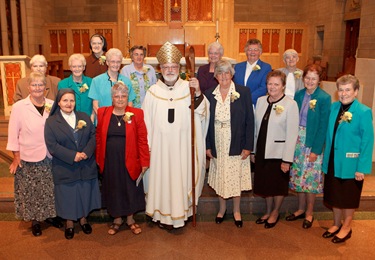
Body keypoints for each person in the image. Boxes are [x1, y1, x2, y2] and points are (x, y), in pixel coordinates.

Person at [142, 41, 210, 229]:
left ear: (178, 68)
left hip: (182, 147)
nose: (170, 70)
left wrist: (197, 93)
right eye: (166, 67)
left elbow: (202, 112)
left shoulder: (188, 87)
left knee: (181, 178)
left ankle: (182, 213)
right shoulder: (152, 92)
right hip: (160, 149)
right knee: (162, 179)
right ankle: (161, 216)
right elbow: (146, 121)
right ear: (160, 69)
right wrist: (147, 146)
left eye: (173, 66)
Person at [7, 72, 62, 237]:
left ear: (45, 88)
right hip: (28, 155)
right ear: (28, 87)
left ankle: (50, 216)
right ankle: (35, 221)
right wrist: (16, 157)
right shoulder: (19, 107)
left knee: (49, 188)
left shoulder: (52, 104)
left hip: (50, 155)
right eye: (34, 85)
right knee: (32, 190)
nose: (37, 88)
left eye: (40, 85)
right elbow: (12, 133)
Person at [322, 75, 374, 243]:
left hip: (352, 163)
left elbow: (367, 141)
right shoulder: (334, 107)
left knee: (348, 196)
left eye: (348, 90)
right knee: (335, 194)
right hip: (333, 160)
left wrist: (362, 168)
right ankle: (336, 223)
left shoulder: (363, 112)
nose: (343, 93)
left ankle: (347, 227)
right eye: (341, 90)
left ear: (356, 91)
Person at [44, 89, 101, 240]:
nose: (69, 104)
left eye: (72, 100)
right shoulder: (51, 122)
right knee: (68, 196)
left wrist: (86, 152)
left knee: (84, 193)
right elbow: (52, 145)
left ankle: (83, 220)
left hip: (85, 164)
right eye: (65, 100)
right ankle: (69, 223)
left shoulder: (83, 116)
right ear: (59, 102)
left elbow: (93, 136)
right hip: (65, 166)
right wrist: (72, 155)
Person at [96, 82, 150, 235]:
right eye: (117, 96)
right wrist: (99, 159)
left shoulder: (137, 113)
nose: (120, 99)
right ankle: (117, 220)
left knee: (130, 189)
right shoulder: (103, 112)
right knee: (114, 189)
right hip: (110, 160)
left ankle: (131, 219)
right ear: (112, 98)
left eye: (123, 96)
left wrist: (145, 161)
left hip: (131, 159)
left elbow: (142, 139)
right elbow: (98, 138)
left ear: (127, 98)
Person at [205, 60, 254, 228]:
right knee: (221, 176)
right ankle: (222, 209)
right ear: (216, 76)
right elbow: (206, 122)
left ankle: (236, 211)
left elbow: (250, 120)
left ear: (232, 75)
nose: (224, 76)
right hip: (217, 139)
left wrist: (248, 146)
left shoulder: (243, 92)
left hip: (237, 140)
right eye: (220, 73)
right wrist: (208, 145)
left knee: (235, 177)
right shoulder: (210, 93)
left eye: (227, 73)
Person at [251, 70, 299, 229]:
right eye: (270, 83)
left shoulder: (290, 104)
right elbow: (256, 128)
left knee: (277, 185)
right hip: (262, 150)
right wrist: (253, 151)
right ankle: (268, 210)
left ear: (283, 86)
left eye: (276, 84)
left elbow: (292, 134)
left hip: (279, 153)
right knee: (266, 184)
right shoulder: (261, 101)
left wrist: (287, 159)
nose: (272, 87)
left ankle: (275, 212)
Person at [287, 64, 331, 228]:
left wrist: (316, 150)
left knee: (310, 180)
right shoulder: (299, 94)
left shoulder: (324, 98)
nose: (310, 81)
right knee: (299, 177)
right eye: (307, 78)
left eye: (314, 78)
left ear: (319, 80)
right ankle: (299, 209)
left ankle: (309, 213)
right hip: (297, 140)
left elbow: (323, 126)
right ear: (303, 78)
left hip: (312, 142)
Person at [88, 48, 136, 116]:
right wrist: (104, 118)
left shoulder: (126, 81)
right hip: (103, 120)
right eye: (113, 61)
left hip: (122, 119)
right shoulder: (96, 81)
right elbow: (95, 105)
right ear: (107, 62)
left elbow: (130, 103)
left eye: (118, 62)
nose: (115, 64)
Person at [233, 38, 272, 106]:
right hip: (238, 103)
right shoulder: (238, 67)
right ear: (246, 52)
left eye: (255, 50)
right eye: (250, 50)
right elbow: (234, 85)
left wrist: (247, 99)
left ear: (260, 52)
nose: (252, 52)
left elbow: (264, 87)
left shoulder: (266, 67)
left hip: (255, 104)